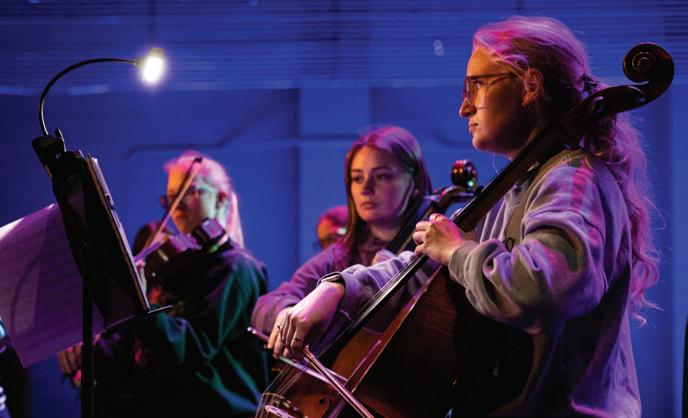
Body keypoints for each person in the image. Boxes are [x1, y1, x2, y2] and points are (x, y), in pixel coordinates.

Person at [274, 16, 659, 417]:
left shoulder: (573, 179)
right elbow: (417, 272)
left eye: (475, 85)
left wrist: (456, 251)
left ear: (529, 85)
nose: (463, 108)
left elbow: (545, 287)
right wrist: (336, 290)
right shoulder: (510, 193)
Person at [58, 151, 270, 417]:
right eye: (171, 196)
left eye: (189, 192)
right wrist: (85, 349)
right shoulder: (178, 268)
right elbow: (134, 346)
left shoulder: (237, 269)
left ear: (220, 199)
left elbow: (188, 348)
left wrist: (144, 306)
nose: (177, 204)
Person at [250, 125, 432, 357]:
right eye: (357, 178)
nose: (365, 189)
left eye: (382, 176)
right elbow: (264, 306)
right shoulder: (339, 256)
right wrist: (287, 312)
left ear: (414, 183)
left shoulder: (432, 252)